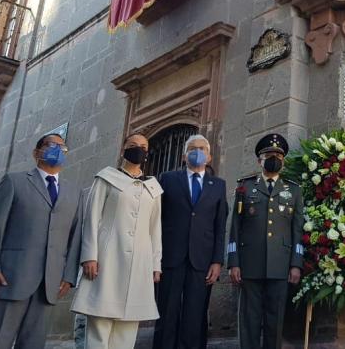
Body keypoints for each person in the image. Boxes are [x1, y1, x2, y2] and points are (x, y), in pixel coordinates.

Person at [0, 133, 83, 349]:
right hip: (9, 278)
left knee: (33, 344)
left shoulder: (75, 193)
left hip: (49, 284)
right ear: (37, 152)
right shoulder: (14, 182)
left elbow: (75, 237)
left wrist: (69, 276)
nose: (57, 150)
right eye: (51, 145)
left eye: (62, 147)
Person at [71, 133, 163, 349]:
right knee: (99, 324)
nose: (138, 149)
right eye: (133, 145)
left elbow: (155, 229)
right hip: (107, 258)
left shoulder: (153, 187)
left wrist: (155, 264)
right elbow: (92, 218)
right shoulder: (106, 178)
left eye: (143, 146)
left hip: (139, 263)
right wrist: (89, 256)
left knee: (127, 330)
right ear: (123, 149)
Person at [227, 133, 304, 349]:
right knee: (249, 320)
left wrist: (296, 264)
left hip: (281, 265)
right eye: (269, 155)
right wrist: (234, 262)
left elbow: (297, 230)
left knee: (275, 320)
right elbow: (235, 227)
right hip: (250, 265)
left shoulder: (294, 190)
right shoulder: (245, 187)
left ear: (283, 161)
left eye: (278, 156)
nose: (274, 159)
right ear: (259, 160)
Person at [154, 134, 228, 349]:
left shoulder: (218, 185)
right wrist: (155, 258)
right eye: (192, 148)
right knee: (167, 313)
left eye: (202, 148)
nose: (198, 152)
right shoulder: (168, 179)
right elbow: (157, 220)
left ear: (209, 156)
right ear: (184, 155)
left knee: (195, 315)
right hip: (171, 258)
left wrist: (217, 261)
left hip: (202, 261)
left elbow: (219, 225)